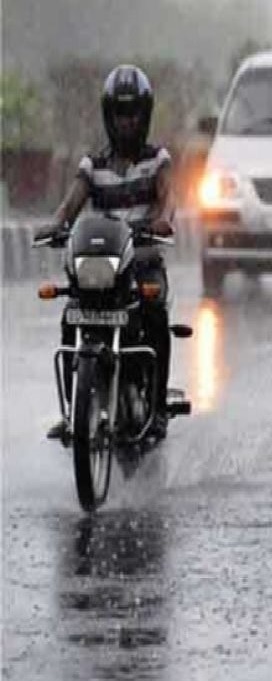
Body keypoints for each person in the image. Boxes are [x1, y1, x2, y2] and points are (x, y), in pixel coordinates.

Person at [37, 65, 175, 442]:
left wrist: (162, 221)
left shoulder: (157, 160)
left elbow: (167, 201)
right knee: (70, 317)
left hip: (142, 263)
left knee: (156, 316)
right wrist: (56, 224)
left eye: (132, 114)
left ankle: (158, 407)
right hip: (102, 265)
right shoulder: (92, 165)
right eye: (119, 113)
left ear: (144, 116)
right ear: (107, 116)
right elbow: (70, 205)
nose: (126, 122)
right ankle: (72, 414)